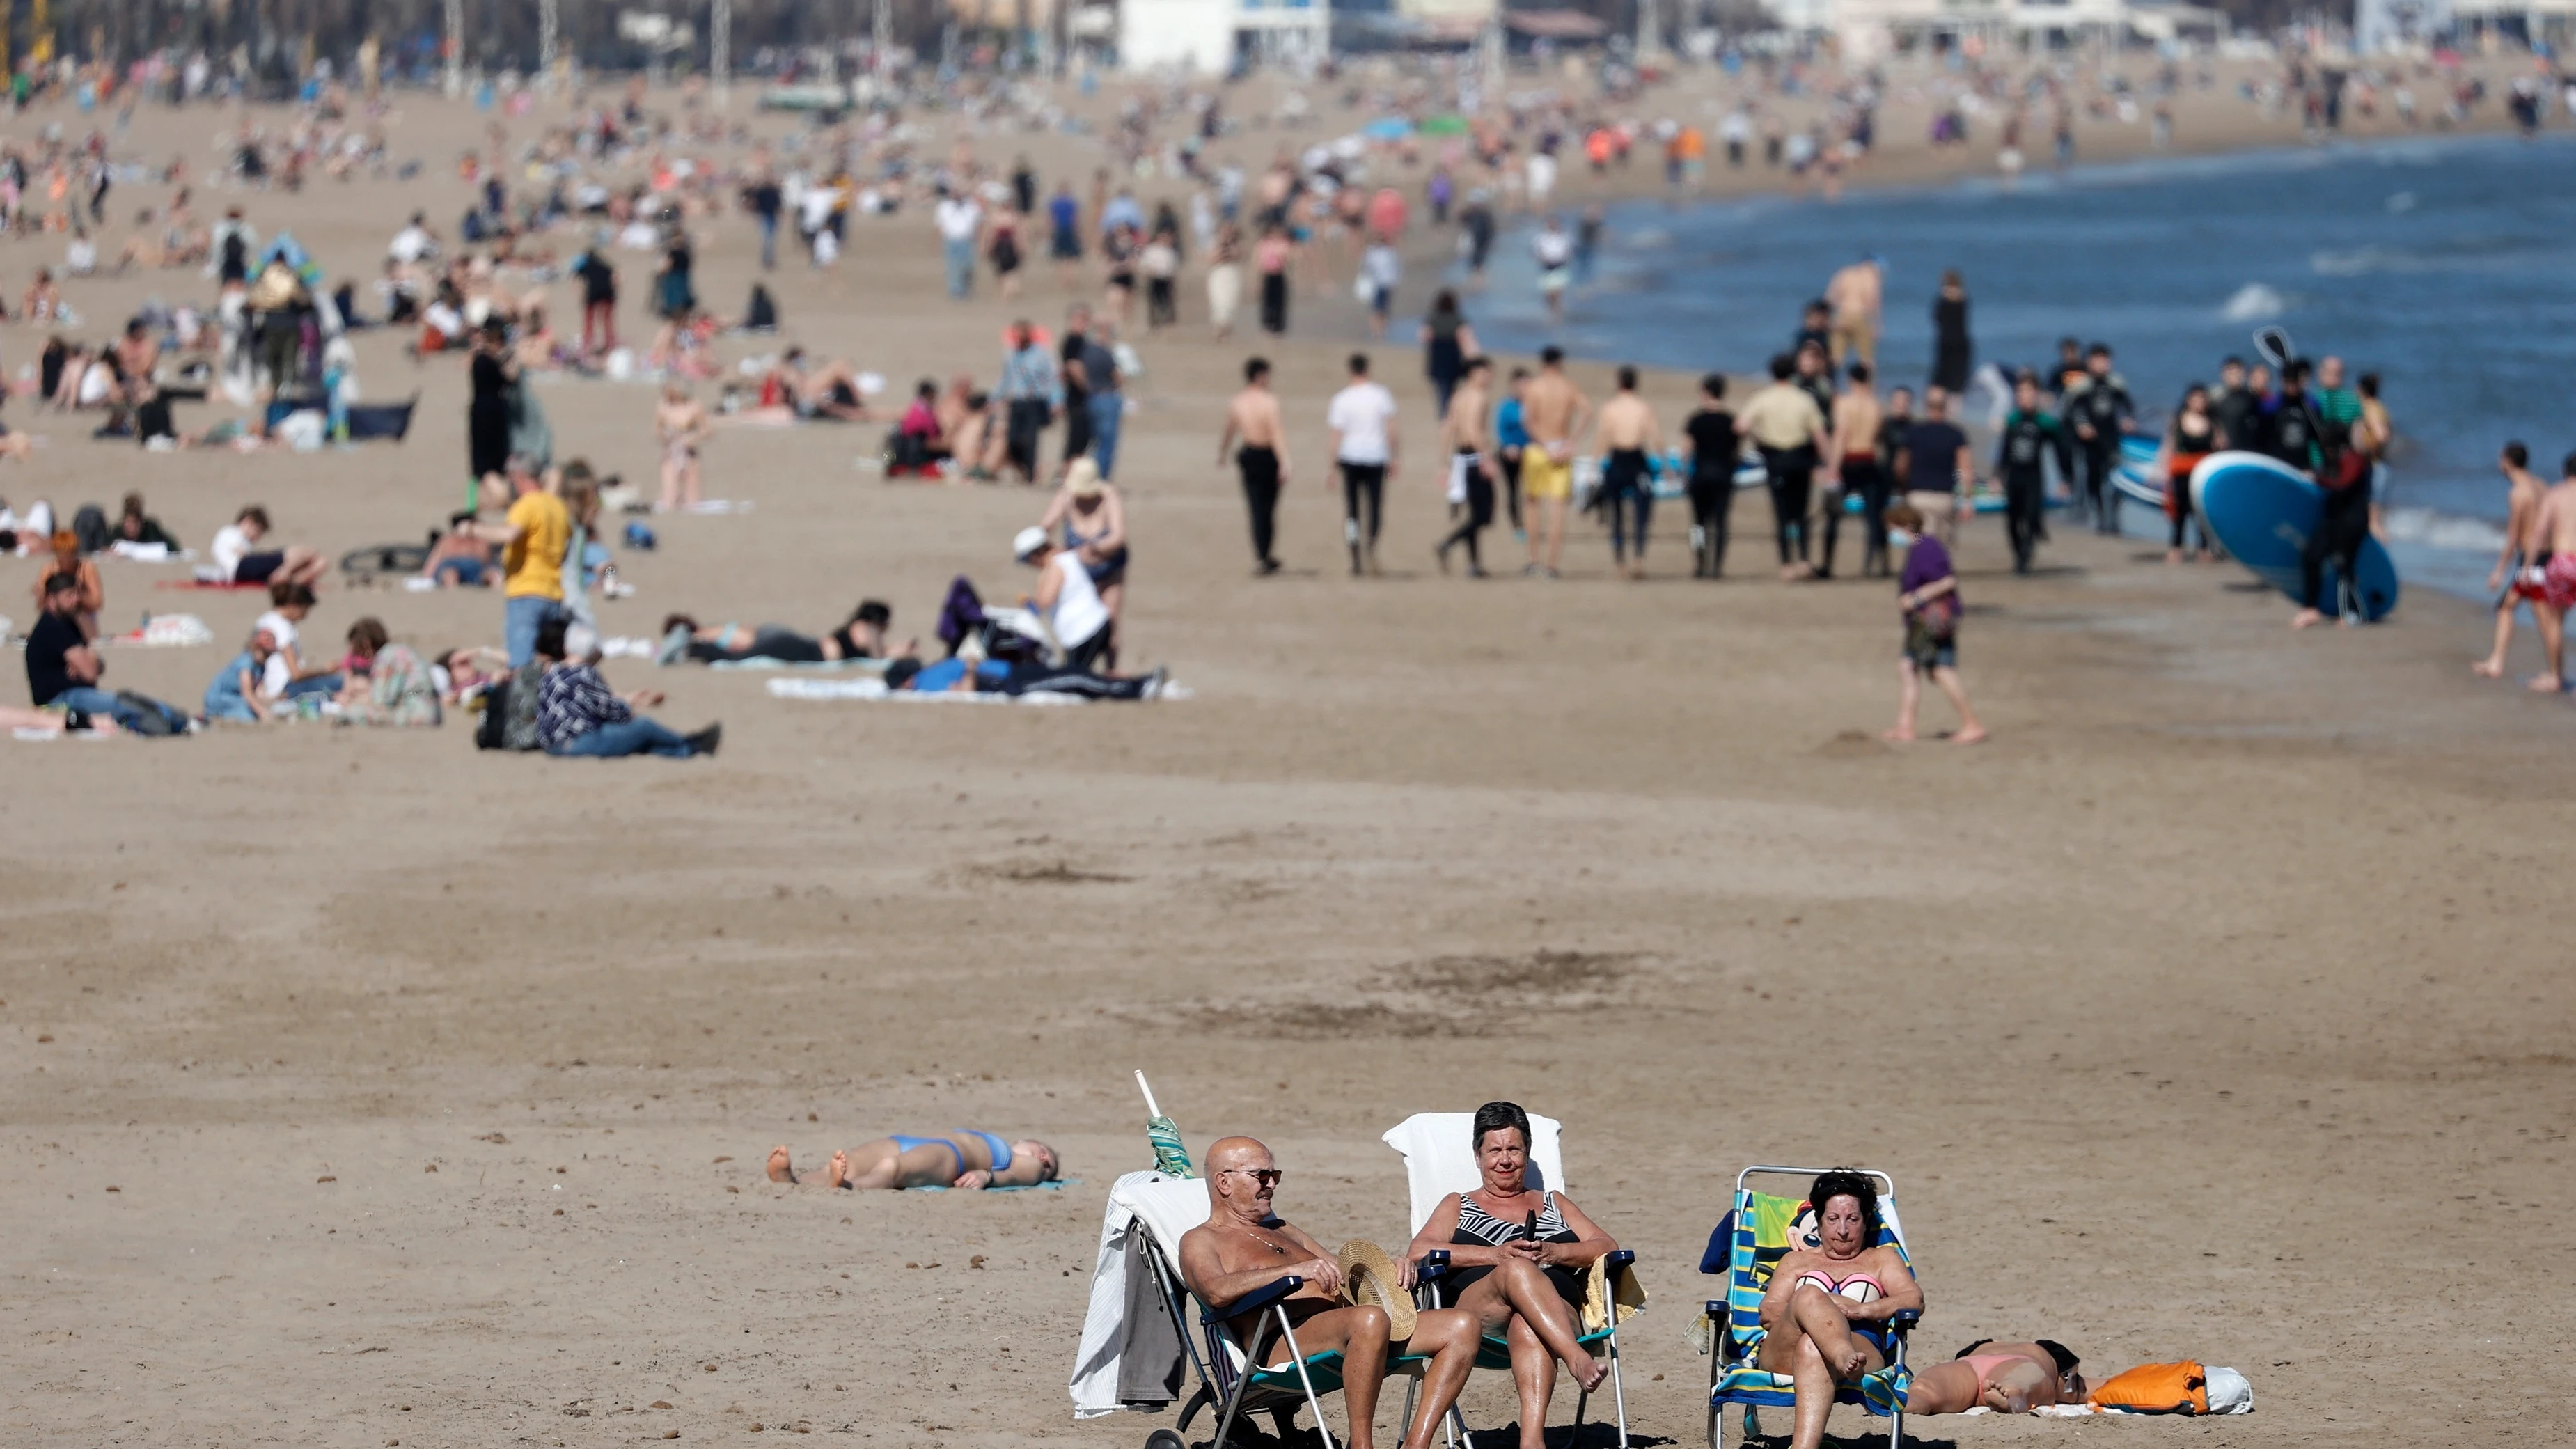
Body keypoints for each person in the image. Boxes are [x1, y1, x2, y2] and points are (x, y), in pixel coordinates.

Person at [1181, 1136, 1483, 1449]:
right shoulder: (1201, 1240)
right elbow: (1214, 1291)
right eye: (1262, 1176)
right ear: (1224, 1182)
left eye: (1275, 1176)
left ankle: (1416, 1444)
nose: (1272, 1184)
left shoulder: (1282, 1227)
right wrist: (1288, 1271)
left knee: (1462, 1326)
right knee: (1368, 1320)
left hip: (1353, 1330)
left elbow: (1340, 1272)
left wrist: (1391, 1270)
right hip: (1280, 1342)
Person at [1396, 1102, 1615, 1449]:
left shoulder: (1554, 1202)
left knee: (1528, 1321)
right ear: (1478, 1156)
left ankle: (1532, 1442)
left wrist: (1555, 1252)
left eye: (1514, 1149)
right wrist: (1495, 1255)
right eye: (1494, 1150)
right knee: (1515, 1267)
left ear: (1527, 1154)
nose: (1505, 1159)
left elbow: (1606, 1246)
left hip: (1554, 1315)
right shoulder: (1458, 1203)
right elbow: (1419, 1252)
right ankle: (1576, 1358)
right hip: (1479, 1312)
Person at [1753, 1170, 1927, 1449]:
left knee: (1813, 1345)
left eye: (1853, 1219)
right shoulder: (1795, 1261)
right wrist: (1832, 1305)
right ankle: (1840, 1354)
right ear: (1819, 1222)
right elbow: (1769, 1313)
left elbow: (1913, 1299)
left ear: (1866, 1221)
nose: (1843, 1230)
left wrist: (1861, 1312)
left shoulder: (1881, 1259)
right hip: (1790, 1354)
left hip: (1861, 1351)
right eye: (1833, 1219)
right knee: (1809, 1295)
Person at [536, 620, 719, 758]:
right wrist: (628, 709)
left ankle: (685, 750)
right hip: (577, 744)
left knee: (637, 740)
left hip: (552, 745)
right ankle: (690, 743)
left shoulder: (552, 673)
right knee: (643, 727)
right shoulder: (584, 673)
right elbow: (610, 710)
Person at [1884, 503, 1985, 744]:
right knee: (1908, 666)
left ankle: (1971, 723)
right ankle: (1905, 726)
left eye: (1893, 528)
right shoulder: (1918, 548)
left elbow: (1947, 581)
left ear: (1906, 526)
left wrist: (1915, 598)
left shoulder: (1927, 547)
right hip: (1922, 622)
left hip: (1932, 620)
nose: (1891, 534)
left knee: (1940, 670)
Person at [2291, 357, 2369, 631]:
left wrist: (2318, 477)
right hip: (2335, 517)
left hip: (2352, 520)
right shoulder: (2332, 457)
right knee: (2312, 555)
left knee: (2342, 563)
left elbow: (2343, 483)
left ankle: (2351, 614)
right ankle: (2311, 609)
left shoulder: (2356, 458)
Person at [1737, 353, 1832, 580]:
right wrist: (1827, 464)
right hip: (1800, 459)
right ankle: (1804, 560)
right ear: (1793, 373)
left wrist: (1759, 439)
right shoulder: (1803, 399)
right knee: (1801, 513)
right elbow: (1820, 435)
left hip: (1776, 459)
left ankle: (1786, 564)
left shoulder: (1763, 398)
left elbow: (1741, 426)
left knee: (1781, 514)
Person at [467, 462, 570, 666]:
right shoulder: (558, 506)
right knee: (549, 660)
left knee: (521, 662)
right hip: (554, 592)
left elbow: (510, 534)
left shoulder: (527, 504)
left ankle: (525, 698)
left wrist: (472, 529)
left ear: (519, 476)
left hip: (527, 591)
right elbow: (568, 547)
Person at [1039, 458, 1129, 659]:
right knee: (1074, 619)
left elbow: (1118, 536)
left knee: (1110, 620)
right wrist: (1057, 553)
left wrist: (1094, 548)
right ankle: (1073, 664)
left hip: (1110, 566)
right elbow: (1044, 529)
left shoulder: (1109, 495)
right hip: (1080, 571)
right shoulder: (1066, 496)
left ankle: (1110, 670)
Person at [765, 1131, 1061, 1190]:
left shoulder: (1035, 1164)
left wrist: (988, 1176)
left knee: (893, 1168)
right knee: (852, 1159)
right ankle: (795, 1181)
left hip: (950, 1155)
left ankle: (849, 1186)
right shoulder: (1004, 1147)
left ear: (1042, 1154)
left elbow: (1022, 1175)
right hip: (913, 1140)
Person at [2476, 441, 2549, 680]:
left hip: (2531, 561)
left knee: (2542, 618)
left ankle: (2554, 673)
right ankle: (2496, 662)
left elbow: (2513, 538)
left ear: (2507, 462)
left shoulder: (2518, 493)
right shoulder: (2540, 485)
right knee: (2507, 608)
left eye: (2501, 459)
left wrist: (2498, 571)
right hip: (2546, 556)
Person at [1327, 352, 1400, 577]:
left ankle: (1354, 553)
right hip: (1376, 457)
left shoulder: (1342, 398)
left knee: (1352, 511)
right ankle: (1372, 544)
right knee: (1375, 508)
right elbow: (1391, 429)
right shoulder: (1381, 395)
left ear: (1350, 371)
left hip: (1350, 458)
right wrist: (1394, 456)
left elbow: (1336, 435)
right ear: (1367, 369)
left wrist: (1330, 466)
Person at [1520, 347, 1590, 578]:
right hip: (1561, 445)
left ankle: (1533, 560)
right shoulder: (1568, 387)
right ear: (1560, 363)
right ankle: (1552, 565)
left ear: (1542, 363)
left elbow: (1527, 421)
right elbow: (1587, 412)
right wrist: (1571, 442)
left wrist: (1544, 445)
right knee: (1557, 508)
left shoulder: (1534, 387)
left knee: (1533, 505)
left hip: (1539, 450)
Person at [1219, 357, 1291, 574]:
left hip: (1249, 455)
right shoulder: (1270, 402)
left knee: (1256, 508)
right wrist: (1285, 460)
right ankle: (1264, 555)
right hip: (1267, 455)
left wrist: (1223, 453)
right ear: (1260, 376)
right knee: (1267, 509)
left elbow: (1230, 430)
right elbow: (1276, 432)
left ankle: (1263, 555)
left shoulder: (1237, 401)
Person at [658, 601, 895, 666]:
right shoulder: (867, 629)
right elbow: (876, 659)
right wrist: (893, 653)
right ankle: (689, 647)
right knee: (738, 659)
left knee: (741, 657)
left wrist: (896, 650)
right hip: (799, 647)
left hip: (791, 641)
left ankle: (689, 649)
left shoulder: (855, 629)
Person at [1013, 526, 1116, 671]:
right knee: (1081, 676)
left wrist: (1028, 602)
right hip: (1091, 627)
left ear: (1035, 554)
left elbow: (1044, 602)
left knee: (1072, 679)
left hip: (1086, 631)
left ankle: (1137, 685)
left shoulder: (1056, 566)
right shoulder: (1066, 557)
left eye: (1027, 560)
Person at [1593, 366, 1663, 580]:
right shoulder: (1643, 407)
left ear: (1619, 383)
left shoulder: (1609, 408)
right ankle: (1639, 557)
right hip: (1637, 460)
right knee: (1643, 511)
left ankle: (1620, 561)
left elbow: (1602, 438)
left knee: (1616, 513)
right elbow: (1655, 438)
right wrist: (1667, 466)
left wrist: (1594, 465)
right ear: (1636, 383)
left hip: (1617, 460)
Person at [1434, 356, 1500, 577]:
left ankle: (1473, 565)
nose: (1490, 377)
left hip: (1461, 458)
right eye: (1486, 372)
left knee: (1474, 514)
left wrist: (1444, 463)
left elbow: (1448, 428)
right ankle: (1447, 544)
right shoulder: (1478, 398)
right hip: (1475, 458)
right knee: (1484, 515)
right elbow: (1473, 432)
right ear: (1475, 373)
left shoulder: (1459, 396)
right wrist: (1488, 458)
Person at [2517, 451, 2576, 691]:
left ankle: (2555, 677)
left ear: (2564, 472)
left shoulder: (2556, 495)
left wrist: (2527, 567)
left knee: (2555, 623)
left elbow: (2539, 533)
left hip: (2562, 561)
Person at [1823, 362, 1888, 579]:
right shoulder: (1876, 405)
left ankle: (1827, 563)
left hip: (1849, 460)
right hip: (1869, 459)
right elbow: (1878, 438)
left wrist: (1833, 466)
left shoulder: (1843, 403)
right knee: (1873, 517)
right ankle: (1875, 565)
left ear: (1850, 380)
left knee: (1833, 515)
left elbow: (1841, 434)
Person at [1994, 374, 2063, 574]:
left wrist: (2063, 480)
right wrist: (1997, 477)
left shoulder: (2045, 423)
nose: (2025, 396)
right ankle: (2019, 554)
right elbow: (2004, 452)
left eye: (2029, 392)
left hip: (2034, 477)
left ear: (2037, 395)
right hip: (2014, 478)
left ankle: (2024, 560)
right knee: (2013, 521)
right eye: (2021, 392)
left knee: (2031, 518)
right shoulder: (2012, 421)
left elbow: (2060, 452)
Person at [1905, 1340, 2086, 1416]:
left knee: (1924, 1389)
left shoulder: (1983, 1345)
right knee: (2016, 1385)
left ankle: (1897, 1404)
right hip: (2021, 1362)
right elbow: (2098, 1389)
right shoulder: (2052, 1357)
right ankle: (2012, 1399)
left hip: (1970, 1362)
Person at [2063, 344, 2133, 534]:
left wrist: (2127, 419)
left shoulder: (2116, 383)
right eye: (2099, 360)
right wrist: (2082, 425)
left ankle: (2115, 518)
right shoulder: (2080, 386)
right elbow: (2071, 411)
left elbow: (2127, 406)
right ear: (2089, 362)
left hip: (2111, 438)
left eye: (2106, 360)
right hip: (2090, 442)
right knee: (2094, 479)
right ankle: (2102, 517)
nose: (2104, 364)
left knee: (2118, 479)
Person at [1896, 386, 1972, 547]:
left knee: (1919, 546)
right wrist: (1966, 500)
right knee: (1941, 548)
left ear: (1926, 405)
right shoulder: (1955, 434)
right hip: (1944, 498)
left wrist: (1903, 490)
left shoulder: (1914, 432)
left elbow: (1900, 467)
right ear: (1946, 406)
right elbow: (1965, 470)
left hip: (1918, 496)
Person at [1680, 374, 1738, 579]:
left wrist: (1684, 474)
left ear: (1705, 392)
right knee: (1721, 523)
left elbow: (1686, 451)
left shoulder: (1696, 420)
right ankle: (1717, 566)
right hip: (1723, 476)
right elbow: (1736, 451)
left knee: (1698, 524)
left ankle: (1700, 563)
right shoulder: (1731, 421)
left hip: (1701, 475)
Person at [2155, 384, 2220, 565]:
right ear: (2188, 400)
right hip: (2182, 472)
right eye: (2195, 399)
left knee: (2202, 513)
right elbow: (2168, 447)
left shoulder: (2212, 423)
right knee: (2180, 512)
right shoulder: (2178, 421)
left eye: (2202, 399)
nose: (2198, 402)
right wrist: (2161, 472)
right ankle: (2176, 548)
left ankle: (2204, 549)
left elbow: (2220, 448)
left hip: (2203, 474)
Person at [335, 616, 442, 726]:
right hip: (433, 712)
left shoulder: (385, 658)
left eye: (356, 649)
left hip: (417, 715)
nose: (356, 654)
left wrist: (352, 701)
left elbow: (382, 702)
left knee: (353, 712)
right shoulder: (399, 650)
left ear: (366, 644)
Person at [994, 320, 1063, 485]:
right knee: (1012, 439)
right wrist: (995, 398)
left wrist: (1057, 401)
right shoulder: (1010, 354)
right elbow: (1005, 378)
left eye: (1022, 333)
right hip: (1016, 401)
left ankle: (1031, 476)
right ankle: (1020, 466)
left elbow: (1052, 379)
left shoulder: (1041, 355)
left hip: (1035, 401)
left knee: (1031, 440)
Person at [466, 322, 517, 510]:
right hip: (491, 414)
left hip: (481, 412)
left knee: (480, 460)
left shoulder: (480, 360)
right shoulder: (485, 361)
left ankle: (477, 500)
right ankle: (486, 498)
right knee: (490, 461)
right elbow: (505, 381)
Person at [210, 505, 326, 588]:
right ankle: (284, 573)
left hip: (244, 570)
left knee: (321, 562)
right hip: (241, 567)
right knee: (307, 552)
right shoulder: (231, 531)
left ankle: (290, 580)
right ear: (248, 521)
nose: (257, 537)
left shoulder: (239, 538)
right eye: (258, 531)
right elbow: (241, 553)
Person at [31, 529, 102, 638]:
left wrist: (76, 594)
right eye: (62, 554)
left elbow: (97, 603)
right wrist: (42, 594)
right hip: (58, 617)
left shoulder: (85, 568)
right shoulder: (50, 569)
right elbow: (41, 606)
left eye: (70, 553)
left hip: (83, 617)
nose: (66, 559)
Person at [1420, 290, 1478, 421]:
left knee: (1442, 390)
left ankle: (1445, 416)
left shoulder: (1433, 318)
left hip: (1437, 359)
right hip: (1453, 359)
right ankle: (1450, 415)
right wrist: (1474, 358)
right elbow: (1467, 338)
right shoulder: (1458, 318)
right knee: (1452, 389)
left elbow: (1424, 336)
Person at [203, 625, 278, 723]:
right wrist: (262, 712)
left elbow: (259, 693)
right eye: (266, 652)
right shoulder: (246, 662)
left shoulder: (261, 666)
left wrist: (276, 700)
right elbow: (247, 693)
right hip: (221, 698)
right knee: (249, 717)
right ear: (256, 647)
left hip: (238, 698)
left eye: (270, 653)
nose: (268, 656)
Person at [654, 380, 709, 511]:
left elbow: (706, 429)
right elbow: (657, 430)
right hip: (671, 451)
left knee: (693, 503)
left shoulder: (694, 406)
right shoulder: (663, 406)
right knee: (669, 501)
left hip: (689, 451)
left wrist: (693, 438)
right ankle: (672, 496)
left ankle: (686, 497)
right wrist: (666, 436)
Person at [1823, 256, 1882, 370]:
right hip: (1860, 316)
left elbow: (1829, 298)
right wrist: (1876, 324)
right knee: (1866, 358)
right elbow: (1873, 302)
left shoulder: (1844, 273)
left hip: (1842, 315)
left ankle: (1833, 383)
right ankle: (1865, 385)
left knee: (1837, 357)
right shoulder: (1871, 276)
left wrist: (1830, 319)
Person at [573, 233, 618, 358]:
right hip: (607, 292)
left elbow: (576, 280)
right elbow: (616, 277)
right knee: (607, 319)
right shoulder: (604, 264)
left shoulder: (585, 265)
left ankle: (588, 342)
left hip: (593, 293)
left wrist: (580, 295)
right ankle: (610, 342)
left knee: (589, 319)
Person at [934, 185, 982, 300]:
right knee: (953, 267)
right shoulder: (944, 207)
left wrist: (978, 239)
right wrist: (936, 242)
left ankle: (966, 288)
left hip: (967, 240)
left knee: (968, 266)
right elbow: (939, 225)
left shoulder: (971, 207)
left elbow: (979, 223)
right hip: (951, 240)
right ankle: (956, 291)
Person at [1929, 270, 1972, 395]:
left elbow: (1936, 318)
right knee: (1957, 383)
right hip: (1961, 343)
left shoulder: (1943, 299)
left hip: (1947, 342)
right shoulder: (1964, 298)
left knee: (1941, 380)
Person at [1531, 215, 1573, 321]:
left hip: (1560, 267)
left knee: (1558, 293)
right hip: (1546, 268)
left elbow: (1569, 251)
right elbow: (1536, 252)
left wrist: (1565, 258)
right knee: (1549, 294)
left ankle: (1558, 314)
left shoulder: (1564, 237)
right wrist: (1542, 258)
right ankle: (1551, 312)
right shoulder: (1541, 238)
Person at [1255, 224, 1292, 336]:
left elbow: (1289, 258)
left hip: (1279, 275)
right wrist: (1257, 280)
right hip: (1268, 275)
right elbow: (1259, 262)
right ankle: (1267, 325)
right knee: (1267, 302)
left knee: (1279, 302)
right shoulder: (1263, 244)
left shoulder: (1284, 244)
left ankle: (1279, 327)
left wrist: (1282, 254)